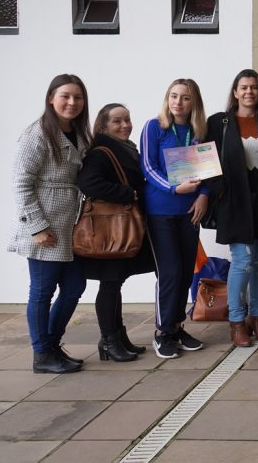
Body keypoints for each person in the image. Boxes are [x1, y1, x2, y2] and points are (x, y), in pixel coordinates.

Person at [11, 74, 91, 374]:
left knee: (74, 287)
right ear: (51, 98)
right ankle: (42, 354)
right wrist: (36, 227)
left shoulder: (79, 133)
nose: (72, 103)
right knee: (42, 291)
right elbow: (21, 183)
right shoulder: (37, 134)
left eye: (78, 97)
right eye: (65, 96)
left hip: (69, 224)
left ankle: (52, 344)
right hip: (45, 226)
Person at [77, 103, 155, 361]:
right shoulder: (101, 152)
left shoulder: (125, 149)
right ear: (103, 126)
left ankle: (117, 337)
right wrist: (128, 193)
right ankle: (109, 340)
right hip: (109, 231)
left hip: (119, 230)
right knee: (110, 285)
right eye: (117, 121)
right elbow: (88, 182)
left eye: (128, 120)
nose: (125, 125)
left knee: (115, 284)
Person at [141, 78, 210, 359]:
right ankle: (163, 332)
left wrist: (203, 195)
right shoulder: (154, 127)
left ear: (194, 102)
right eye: (173, 96)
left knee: (184, 272)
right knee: (168, 273)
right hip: (160, 212)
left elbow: (207, 170)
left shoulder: (198, 131)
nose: (177, 102)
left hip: (189, 213)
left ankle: (177, 326)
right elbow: (147, 166)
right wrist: (173, 188)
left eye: (184, 97)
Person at [205, 70, 258, 348]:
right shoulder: (218, 122)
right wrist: (217, 189)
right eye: (243, 87)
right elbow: (205, 159)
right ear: (235, 92)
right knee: (243, 261)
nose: (249, 92)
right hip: (234, 201)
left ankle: (256, 318)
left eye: (254, 88)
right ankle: (236, 321)